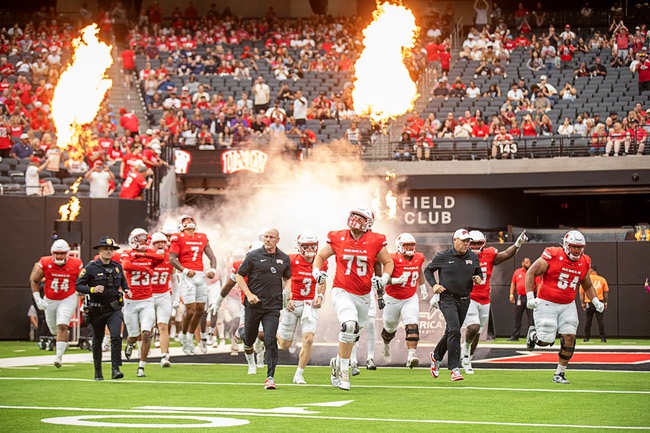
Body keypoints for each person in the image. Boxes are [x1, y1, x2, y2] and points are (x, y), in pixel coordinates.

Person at [312, 207, 394, 391]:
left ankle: (337, 362)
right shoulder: (338, 236)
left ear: (369, 223)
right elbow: (320, 256)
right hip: (342, 290)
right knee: (349, 325)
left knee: (354, 334)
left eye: (361, 217)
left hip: (364, 294)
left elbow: (388, 262)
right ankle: (343, 371)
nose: (356, 220)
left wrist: (384, 279)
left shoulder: (375, 240)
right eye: (354, 215)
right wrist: (316, 271)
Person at [525, 230, 605, 384]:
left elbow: (586, 283)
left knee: (569, 337)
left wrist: (595, 300)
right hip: (547, 302)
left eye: (579, 247)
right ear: (567, 245)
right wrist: (530, 296)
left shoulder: (584, 261)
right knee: (545, 340)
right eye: (574, 246)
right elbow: (531, 272)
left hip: (568, 304)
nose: (577, 250)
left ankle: (559, 373)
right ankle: (534, 335)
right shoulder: (552, 254)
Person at [461, 229, 528, 374]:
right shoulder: (461, 255)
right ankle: (464, 349)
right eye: (473, 243)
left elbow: (505, 255)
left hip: (485, 299)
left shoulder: (489, 253)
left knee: (477, 332)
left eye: (479, 243)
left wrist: (518, 243)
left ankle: (468, 359)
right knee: (473, 326)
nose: (476, 246)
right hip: (468, 297)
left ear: (483, 243)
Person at [236, 228, 291, 390]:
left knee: (270, 340)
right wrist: (249, 294)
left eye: (271, 237)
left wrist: (288, 292)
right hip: (254, 305)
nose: (268, 240)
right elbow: (239, 276)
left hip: (273, 307)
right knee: (250, 339)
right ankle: (242, 332)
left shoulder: (284, 258)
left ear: (277, 240)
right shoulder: (253, 256)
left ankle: (270, 377)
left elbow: (287, 277)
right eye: (266, 237)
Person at [425, 229, 483, 381]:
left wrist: (478, 278)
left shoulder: (472, 256)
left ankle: (436, 356)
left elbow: (479, 273)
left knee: (451, 331)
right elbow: (428, 271)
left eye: (468, 241)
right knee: (455, 330)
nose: (466, 244)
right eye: (463, 241)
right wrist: (434, 285)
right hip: (447, 297)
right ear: (455, 240)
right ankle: (455, 369)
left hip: (465, 298)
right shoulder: (442, 256)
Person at [76, 236, 132, 380]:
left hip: (114, 308)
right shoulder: (90, 268)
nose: (108, 252)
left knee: (116, 336)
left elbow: (123, 282)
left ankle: (115, 368)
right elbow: (78, 285)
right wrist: (93, 290)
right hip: (97, 309)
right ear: (100, 250)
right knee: (97, 340)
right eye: (106, 249)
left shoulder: (117, 267)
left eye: (111, 249)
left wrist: (126, 289)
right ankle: (98, 369)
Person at [277, 232, 327, 384]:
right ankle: (278, 331)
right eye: (305, 246)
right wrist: (287, 298)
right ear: (299, 247)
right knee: (284, 345)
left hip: (308, 305)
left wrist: (320, 296)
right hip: (292, 304)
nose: (309, 249)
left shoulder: (321, 262)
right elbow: (283, 279)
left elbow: (322, 281)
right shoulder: (291, 260)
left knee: (309, 339)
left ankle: (299, 374)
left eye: (312, 246)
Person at [29, 239, 83, 368]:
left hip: (68, 297)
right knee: (53, 329)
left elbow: (83, 280)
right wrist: (37, 297)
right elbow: (34, 280)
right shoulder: (44, 262)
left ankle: (58, 357)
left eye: (62, 253)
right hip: (50, 298)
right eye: (57, 253)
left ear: (67, 253)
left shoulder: (76, 263)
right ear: (52, 252)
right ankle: (62, 338)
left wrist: (83, 295)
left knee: (62, 325)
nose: (59, 256)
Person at [169, 215, 217, 355]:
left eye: (191, 220)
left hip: (200, 274)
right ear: (180, 225)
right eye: (185, 221)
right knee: (190, 310)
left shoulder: (202, 237)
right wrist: (184, 270)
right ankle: (183, 336)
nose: (189, 222)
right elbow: (172, 258)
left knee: (201, 309)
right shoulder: (177, 237)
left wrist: (212, 269)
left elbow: (212, 257)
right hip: (186, 276)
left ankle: (189, 337)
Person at [121, 228, 164, 377]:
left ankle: (141, 366)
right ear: (134, 240)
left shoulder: (149, 254)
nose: (145, 242)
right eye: (142, 239)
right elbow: (125, 266)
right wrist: (145, 267)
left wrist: (143, 254)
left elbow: (161, 258)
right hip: (131, 302)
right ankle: (131, 343)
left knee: (146, 333)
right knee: (133, 334)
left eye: (146, 239)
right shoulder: (127, 253)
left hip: (147, 300)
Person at [381, 233, 427, 368]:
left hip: (410, 297)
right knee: (389, 328)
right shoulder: (392, 258)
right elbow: (384, 279)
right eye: (407, 245)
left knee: (412, 324)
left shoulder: (419, 257)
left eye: (412, 245)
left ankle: (411, 355)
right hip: (392, 298)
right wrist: (395, 280)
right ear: (399, 246)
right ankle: (386, 345)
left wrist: (423, 286)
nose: (410, 248)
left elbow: (419, 271)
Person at [150, 232, 175, 366]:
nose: (160, 244)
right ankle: (142, 348)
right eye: (156, 242)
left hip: (164, 294)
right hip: (148, 296)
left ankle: (165, 355)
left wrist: (176, 298)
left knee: (163, 325)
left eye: (162, 242)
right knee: (147, 327)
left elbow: (174, 280)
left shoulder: (170, 258)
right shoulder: (147, 258)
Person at [509, 258, 540, 341]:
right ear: (522, 263)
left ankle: (531, 336)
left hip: (531, 296)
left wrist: (538, 296)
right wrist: (511, 295)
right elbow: (513, 284)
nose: (528, 264)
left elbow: (538, 284)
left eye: (529, 262)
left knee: (531, 317)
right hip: (520, 296)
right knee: (517, 316)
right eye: (526, 262)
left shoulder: (533, 272)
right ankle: (515, 336)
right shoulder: (517, 272)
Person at [580, 266, 609, 342]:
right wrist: (605, 302)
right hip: (599, 302)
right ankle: (603, 338)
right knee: (600, 321)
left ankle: (586, 338)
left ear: (591, 270)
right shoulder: (602, 279)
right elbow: (605, 292)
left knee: (588, 321)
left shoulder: (586, 279)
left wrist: (582, 303)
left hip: (589, 302)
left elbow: (581, 292)